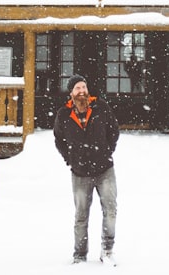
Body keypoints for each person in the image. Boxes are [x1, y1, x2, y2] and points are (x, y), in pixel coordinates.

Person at [54, 74, 120, 265]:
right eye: (77, 88)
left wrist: (107, 151)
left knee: (110, 210)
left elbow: (113, 130)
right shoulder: (64, 114)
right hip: (80, 173)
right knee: (81, 215)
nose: (82, 91)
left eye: (84, 87)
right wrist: (70, 159)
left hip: (104, 170)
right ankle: (80, 255)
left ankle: (107, 251)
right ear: (71, 93)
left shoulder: (101, 108)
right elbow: (59, 140)